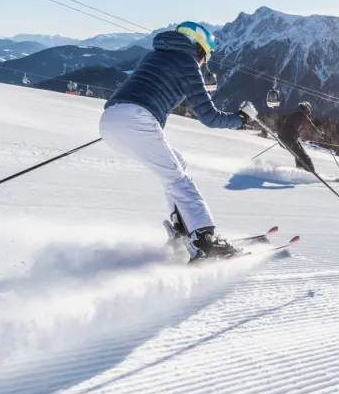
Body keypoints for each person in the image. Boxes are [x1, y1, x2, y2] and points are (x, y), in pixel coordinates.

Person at [99, 21, 257, 260]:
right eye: (206, 55)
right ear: (199, 48)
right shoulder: (187, 62)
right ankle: (205, 239)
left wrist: (124, 120)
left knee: (177, 163)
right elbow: (210, 117)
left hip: (110, 119)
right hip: (135, 120)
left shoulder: (152, 56)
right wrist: (241, 120)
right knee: (177, 178)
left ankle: (182, 229)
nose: (204, 62)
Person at [278, 101, 321, 173]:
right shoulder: (302, 115)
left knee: (298, 154)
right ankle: (310, 172)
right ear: (306, 109)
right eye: (308, 111)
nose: (308, 113)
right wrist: (320, 135)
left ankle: (300, 171)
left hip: (282, 138)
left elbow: (284, 125)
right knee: (303, 155)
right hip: (289, 138)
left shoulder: (294, 114)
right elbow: (311, 127)